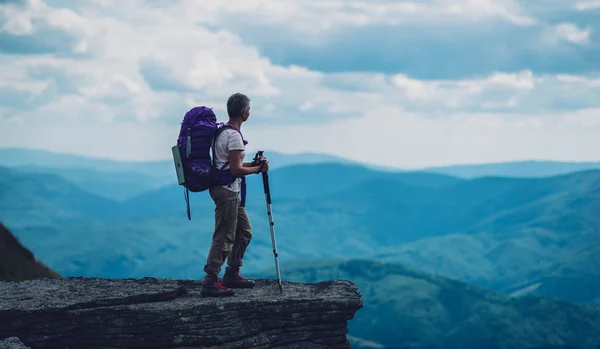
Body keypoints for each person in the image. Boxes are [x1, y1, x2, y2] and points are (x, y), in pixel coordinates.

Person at [201, 93, 269, 297]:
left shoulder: (223, 132)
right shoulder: (234, 136)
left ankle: (232, 273)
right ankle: (210, 282)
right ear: (244, 112)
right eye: (249, 109)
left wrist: (254, 165)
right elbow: (235, 170)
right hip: (227, 192)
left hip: (227, 190)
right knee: (224, 237)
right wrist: (257, 170)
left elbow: (232, 166)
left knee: (244, 232)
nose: (249, 112)